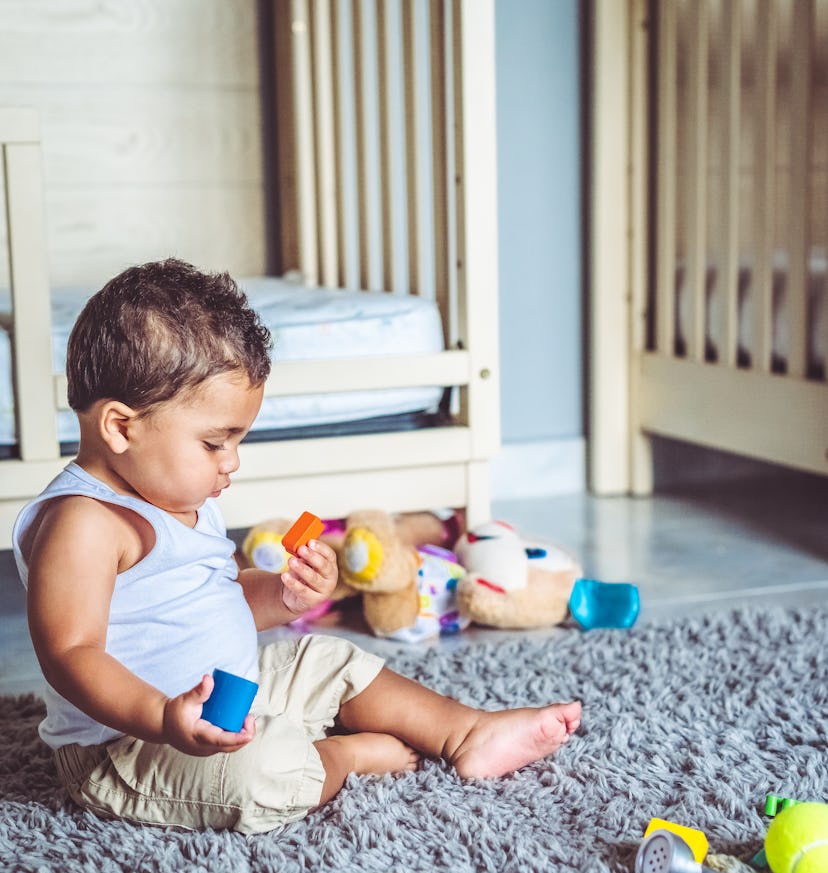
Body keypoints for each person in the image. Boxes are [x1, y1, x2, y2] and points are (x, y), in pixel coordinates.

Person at [13, 259, 582, 835]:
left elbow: (220, 597)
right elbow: (73, 653)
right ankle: (342, 756)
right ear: (119, 427)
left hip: (228, 691)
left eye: (236, 440)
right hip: (131, 745)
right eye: (215, 442)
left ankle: (466, 731)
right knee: (266, 771)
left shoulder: (182, 498)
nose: (231, 461)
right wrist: (163, 716)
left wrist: (286, 597)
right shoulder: (81, 523)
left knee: (328, 660)